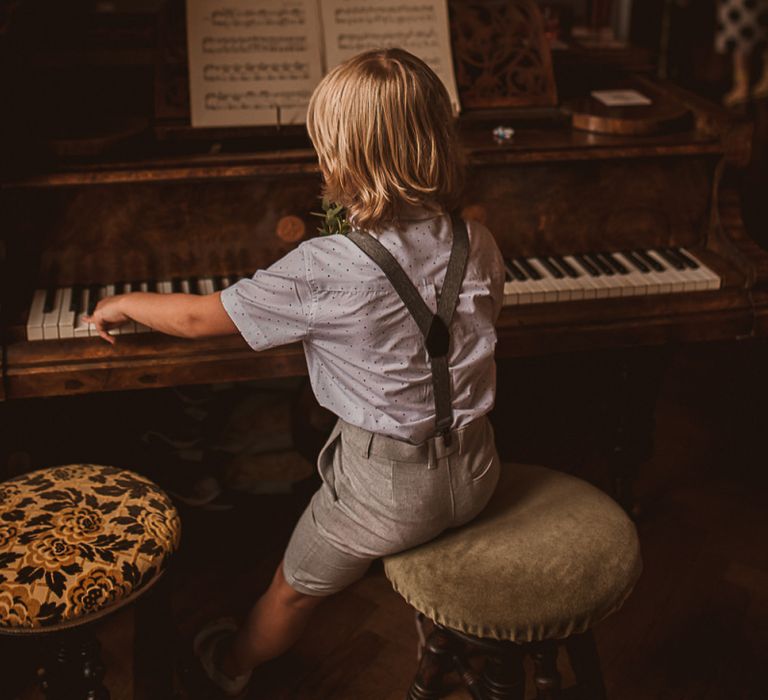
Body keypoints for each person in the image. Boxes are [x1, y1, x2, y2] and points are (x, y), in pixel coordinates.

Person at [86, 48, 505, 697]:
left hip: (384, 492)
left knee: (291, 593)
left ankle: (228, 667)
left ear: (342, 157)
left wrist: (125, 302)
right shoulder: (475, 240)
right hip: (477, 467)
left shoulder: (328, 264)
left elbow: (199, 320)